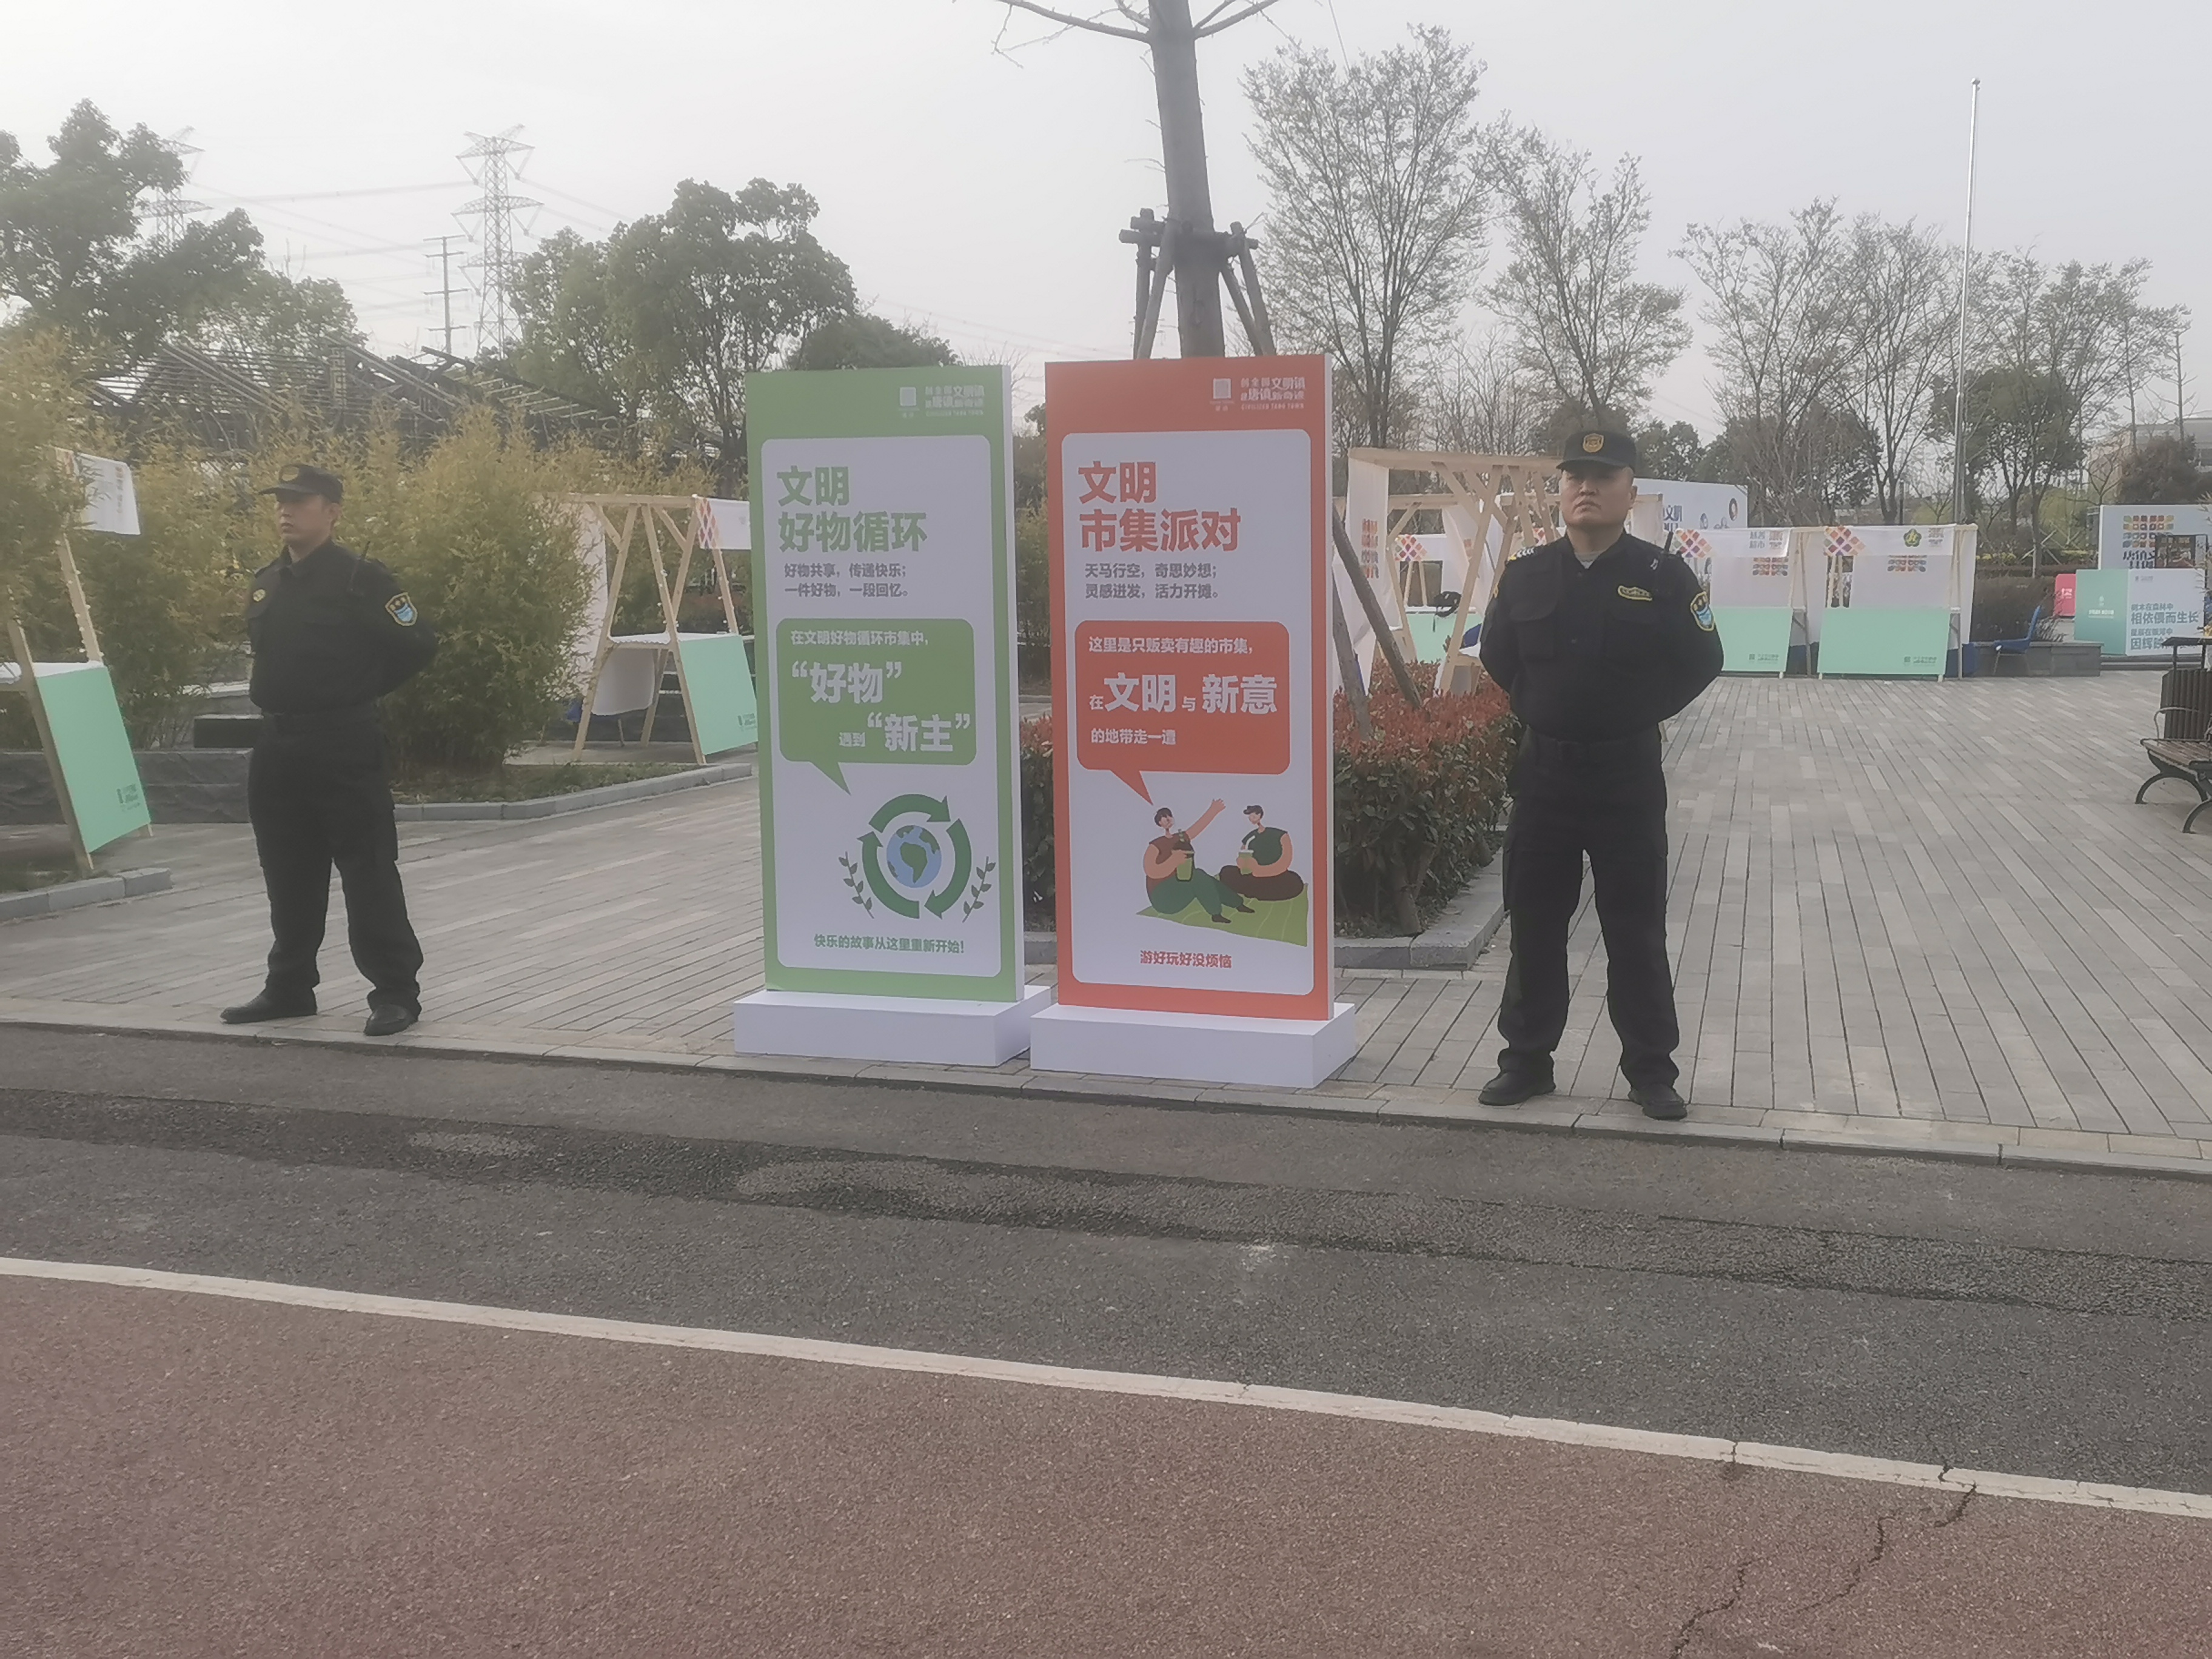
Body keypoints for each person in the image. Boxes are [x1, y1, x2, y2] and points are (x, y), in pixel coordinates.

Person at [1475, 430, 1723, 1119]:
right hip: (1545, 778)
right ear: (1560, 490)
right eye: (1574, 476)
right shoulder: (1525, 575)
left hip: (1626, 779)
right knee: (1535, 925)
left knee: (1635, 930)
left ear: (1630, 492)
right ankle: (1526, 1062)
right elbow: (1499, 656)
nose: (1586, 487)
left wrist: (1636, 712)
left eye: (1603, 476)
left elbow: (1703, 660)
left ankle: (1651, 1071)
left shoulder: (1664, 576)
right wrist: (1547, 708)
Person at [220, 464, 438, 1037]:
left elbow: (418, 644)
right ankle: (289, 987)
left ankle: (395, 993)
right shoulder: (268, 581)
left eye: (301, 501)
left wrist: (358, 690)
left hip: (343, 743)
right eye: (281, 501)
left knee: (367, 870)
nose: (286, 510)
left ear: (334, 512)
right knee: (287, 871)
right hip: (278, 745)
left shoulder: (363, 580)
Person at [1143, 801, 1247, 924]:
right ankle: (1216, 914)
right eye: (1164, 817)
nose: (1168, 819)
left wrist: (1213, 810)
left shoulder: (1180, 837)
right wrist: (1173, 862)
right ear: (1159, 822)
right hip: (1163, 897)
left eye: (1169, 815)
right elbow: (1151, 871)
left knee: (1203, 876)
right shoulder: (1155, 845)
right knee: (1197, 875)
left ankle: (1237, 904)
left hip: (1181, 885)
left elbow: (1197, 828)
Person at [1218, 804, 1304, 901]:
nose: (1251, 819)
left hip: (1276, 876)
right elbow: (1243, 854)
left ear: (1260, 815)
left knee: (1294, 883)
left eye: (1253, 816)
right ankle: (1256, 891)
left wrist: (1260, 871)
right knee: (1227, 872)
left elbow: (1286, 860)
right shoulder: (1250, 837)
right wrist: (1242, 863)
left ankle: (1254, 891)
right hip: (1251, 876)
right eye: (1250, 817)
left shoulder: (1281, 835)